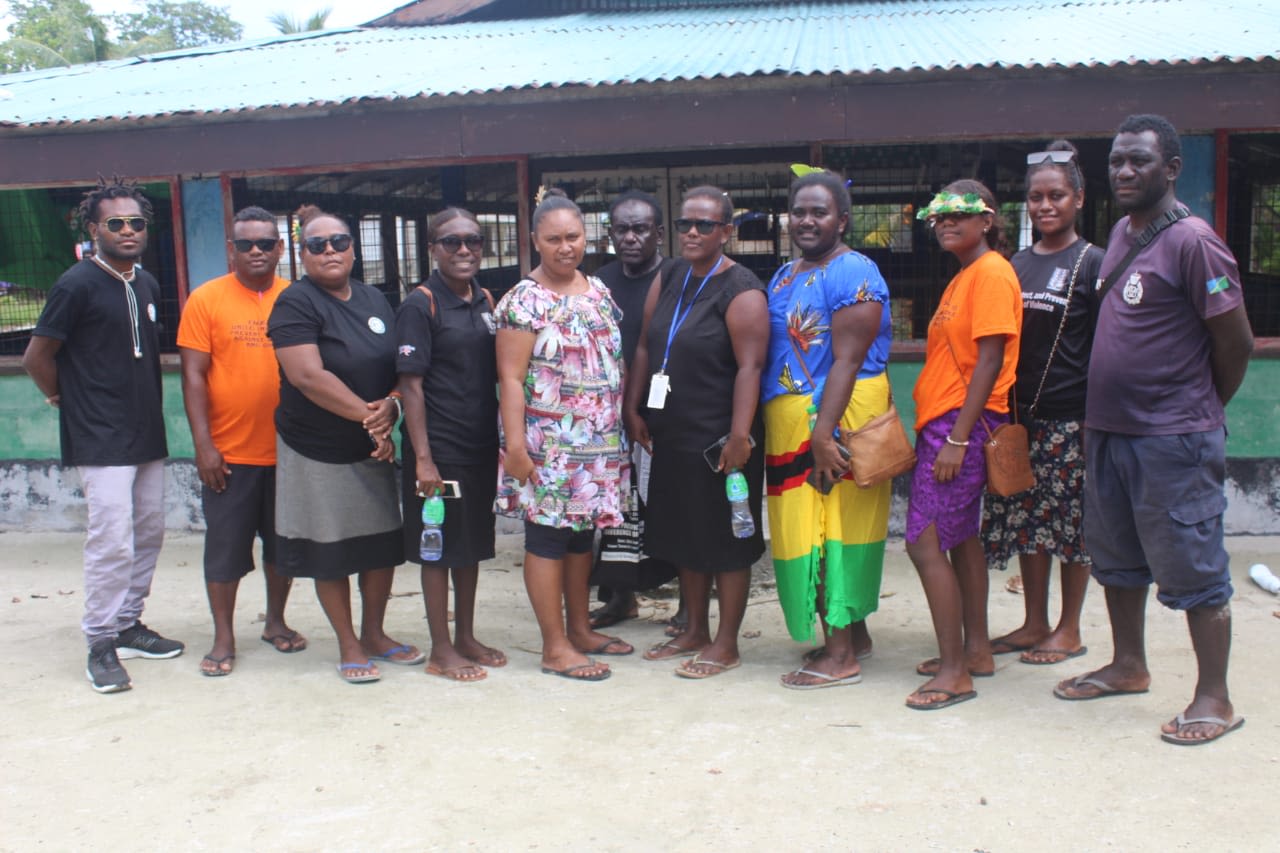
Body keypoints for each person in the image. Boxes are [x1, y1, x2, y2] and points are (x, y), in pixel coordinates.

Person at [1055, 115, 1254, 746]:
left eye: (1139, 161)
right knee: (1114, 556)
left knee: (1193, 565)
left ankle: (1214, 698)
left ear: (1170, 168)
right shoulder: (1119, 232)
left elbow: (1237, 342)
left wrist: (1195, 408)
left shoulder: (1194, 242)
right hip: (1109, 431)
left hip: (1173, 439)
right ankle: (1128, 665)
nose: (1124, 172)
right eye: (1116, 161)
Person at [22, 176, 184, 693]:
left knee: (150, 531)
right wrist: (62, 400)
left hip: (146, 433)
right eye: (116, 223)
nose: (129, 230)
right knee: (111, 538)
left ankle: (127, 622)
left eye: (137, 222)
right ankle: (99, 641)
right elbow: (37, 358)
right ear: (95, 230)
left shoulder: (147, 283)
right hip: (99, 436)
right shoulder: (75, 284)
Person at [267, 204, 417, 684]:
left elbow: (398, 368)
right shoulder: (295, 302)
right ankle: (349, 643)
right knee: (330, 549)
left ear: (354, 248)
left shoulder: (375, 300)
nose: (329, 251)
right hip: (316, 447)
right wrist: (373, 421)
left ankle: (375, 634)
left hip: (371, 447)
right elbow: (308, 376)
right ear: (302, 253)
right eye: (317, 244)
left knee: (380, 545)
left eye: (339, 242)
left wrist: (391, 407)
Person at [625, 185, 769, 678]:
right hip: (672, 432)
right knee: (685, 529)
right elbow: (645, 345)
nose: (692, 232)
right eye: (685, 223)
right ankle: (693, 630)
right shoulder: (669, 277)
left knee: (726, 537)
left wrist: (740, 436)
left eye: (704, 225)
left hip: (720, 437)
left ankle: (726, 642)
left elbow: (750, 368)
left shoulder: (742, 289)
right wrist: (635, 406)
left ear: (726, 231)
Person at [762, 170, 893, 689]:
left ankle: (840, 656)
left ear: (842, 218)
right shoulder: (785, 275)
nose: (807, 220)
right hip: (795, 419)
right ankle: (853, 634)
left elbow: (847, 358)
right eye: (799, 211)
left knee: (831, 531)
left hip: (835, 419)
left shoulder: (854, 270)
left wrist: (823, 434)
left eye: (820, 212)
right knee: (816, 525)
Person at [494, 188, 632, 682]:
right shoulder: (523, 301)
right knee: (548, 538)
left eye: (572, 236)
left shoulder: (598, 291)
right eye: (553, 239)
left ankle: (580, 630)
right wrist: (515, 447)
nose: (565, 247)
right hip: (546, 446)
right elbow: (510, 378)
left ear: (586, 237)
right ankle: (554, 646)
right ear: (535, 241)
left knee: (580, 538)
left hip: (596, 445)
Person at [983, 141, 1104, 666]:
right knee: (1029, 520)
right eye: (1036, 197)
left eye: (1057, 195)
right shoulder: (1014, 264)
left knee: (1072, 527)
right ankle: (1034, 623)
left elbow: (1108, 347)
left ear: (1078, 199)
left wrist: (1096, 420)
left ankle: (1069, 628)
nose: (1045, 206)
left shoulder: (1094, 262)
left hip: (1072, 417)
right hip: (1020, 419)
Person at [904, 180, 1021, 710]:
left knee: (922, 541)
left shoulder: (992, 272)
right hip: (946, 422)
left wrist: (955, 438)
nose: (946, 223)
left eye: (960, 214)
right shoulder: (965, 275)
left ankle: (954, 673)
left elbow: (991, 360)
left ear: (988, 219)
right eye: (938, 217)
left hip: (961, 425)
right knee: (960, 539)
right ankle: (974, 651)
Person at [178, 206, 305, 677]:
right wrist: (203, 445)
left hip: (290, 451)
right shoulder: (206, 299)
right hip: (229, 455)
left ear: (280, 248)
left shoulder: (297, 297)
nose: (257, 251)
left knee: (282, 547)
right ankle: (223, 636)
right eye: (246, 244)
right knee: (226, 550)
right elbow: (192, 377)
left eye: (266, 243)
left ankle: (276, 622)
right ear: (231, 249)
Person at [395, 207, 507, 682]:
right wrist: (423, 459)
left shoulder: (484, 299)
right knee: (437, 548)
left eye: (473, 240)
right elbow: (410, 386)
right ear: (432, 249)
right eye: (451, 242)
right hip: (438, 451)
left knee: (472, 546)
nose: (464, 250)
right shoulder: (420, 306)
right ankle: (441, 649)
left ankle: (465, 636)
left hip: (479, 447)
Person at [589, 189, 680, 631]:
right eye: (621, 229)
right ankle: (620, 596)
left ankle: (688, 604)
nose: (630, 237)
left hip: (669, 409)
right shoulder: (599, 282)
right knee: (618, 510)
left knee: (673, 503)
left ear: (658, 234)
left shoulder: (679, 277)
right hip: (613, 414)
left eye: (639, 229)